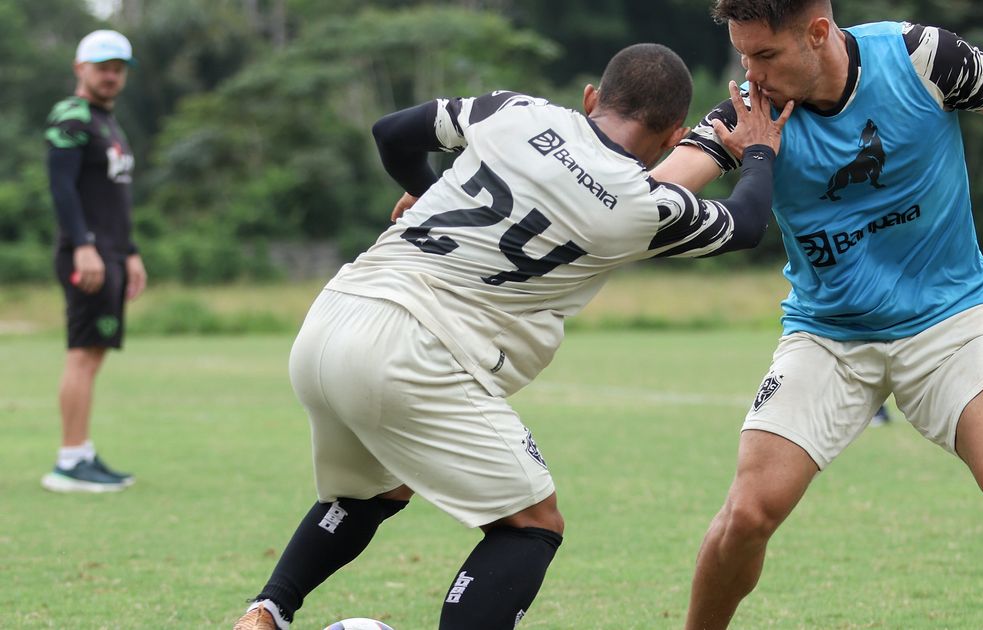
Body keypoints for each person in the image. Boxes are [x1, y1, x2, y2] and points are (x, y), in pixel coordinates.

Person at [233, 43, 792, 630]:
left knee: (374, 490)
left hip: (335, 314)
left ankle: (266, 614)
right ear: (674, 133)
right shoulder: (642, 207)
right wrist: (758, 150)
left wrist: (425, 191)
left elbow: (391, 131)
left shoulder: (515, 112)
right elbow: (748, 223)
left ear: (592, 98)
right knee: (532, 524)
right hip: (414, 353)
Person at [650, 2, 983, 628]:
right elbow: (662, 193)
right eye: (743, 55)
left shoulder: (920, 58)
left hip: (951, 321)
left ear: (817, 32)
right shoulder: (750, 115)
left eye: (767, 55)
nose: (752, 74)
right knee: (749, 513)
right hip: (828, 336)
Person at [41, 30, 144, 493]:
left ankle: (82, 451)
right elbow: (62, 188)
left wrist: (132, 251)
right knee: (81, 356)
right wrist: (82, 244)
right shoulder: (73, 116)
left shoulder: (108, 124)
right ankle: (68, 460)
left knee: (94, 355)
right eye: (102, 66)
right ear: (79, 68)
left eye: (118, 68)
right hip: (87, 255)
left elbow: (111, 200)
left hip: (111, 254)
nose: (111, 75)